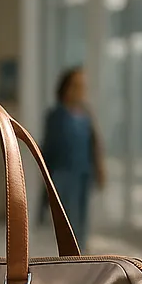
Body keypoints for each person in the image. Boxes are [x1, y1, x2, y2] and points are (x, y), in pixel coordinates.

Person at [41, 67, 106, 248]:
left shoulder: (86, 115)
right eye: (77, 85)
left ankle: (81, 251)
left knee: (82, 216)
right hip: (63, 172)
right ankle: (69, 253)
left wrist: (99, 168)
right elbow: (49, 146)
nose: (81, 90)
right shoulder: (56, 115)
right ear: (66, 88)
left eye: (83, 86)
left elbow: (94, 143)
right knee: (68, 217)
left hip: (84, 171)